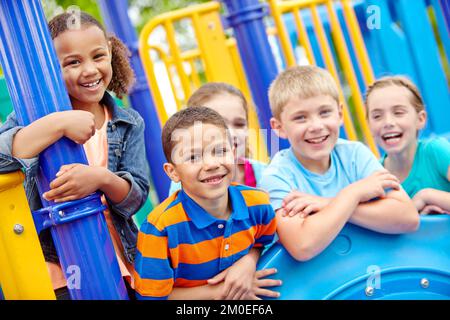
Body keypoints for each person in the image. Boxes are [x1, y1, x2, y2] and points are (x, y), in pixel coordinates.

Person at [0, 11, 150, 299]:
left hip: (119, 258)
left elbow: (135, 196)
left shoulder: (128, 122)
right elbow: (3, 157)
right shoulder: (33, 117)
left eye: (98, 56)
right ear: (50, 70)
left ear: (110, 53)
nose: (90, 70)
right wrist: (58, 124)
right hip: (57, 266)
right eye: (73, 62)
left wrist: (101, 179)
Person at [258, 65, 419, 261]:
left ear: (340, 114)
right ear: (279, 127)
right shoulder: (276, 177)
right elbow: (303, 245)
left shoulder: (354, 155)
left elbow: (407, 217)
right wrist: (353, 194)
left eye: (325, 112)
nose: (316, 126)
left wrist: (326, 205)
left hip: (367, 266)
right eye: (300, 118)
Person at [134, 107, 280, 300]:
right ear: (173, 172)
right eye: (193, 157)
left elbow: (263, 240)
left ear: (234, 153)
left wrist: (248, 262)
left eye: (220, 151)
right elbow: (152, 298)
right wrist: (219, 291)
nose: (211, 164)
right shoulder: (160, 229)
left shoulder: (258, 204)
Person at [365, 76, 450, 214]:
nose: (388, 122)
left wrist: (427, 196)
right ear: (369, 125)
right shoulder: (374, 176)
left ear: (420, 119)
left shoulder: (436, 151)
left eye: (398, 113)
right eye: (377, 116)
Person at [168, 82, 267, 195]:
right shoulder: (183, 184)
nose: (231, 133)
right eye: (219, 125)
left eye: (239, 124)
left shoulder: (268, 175)